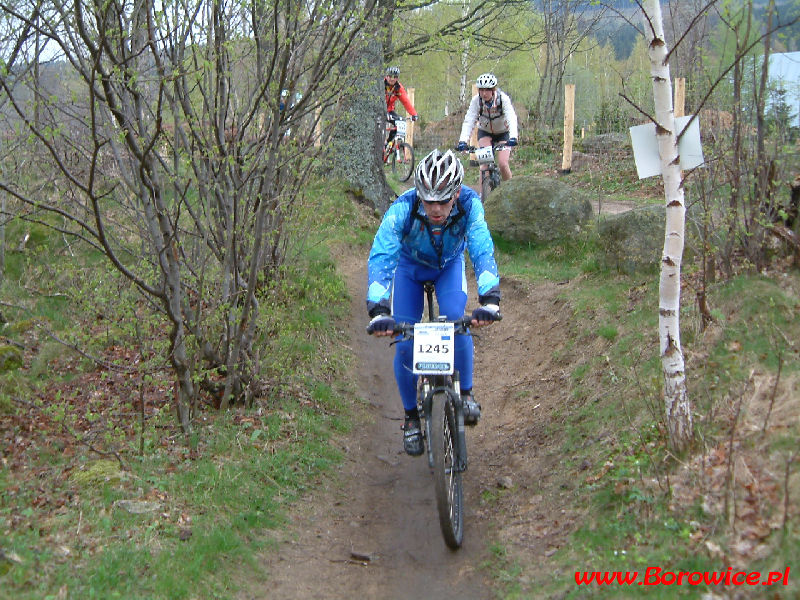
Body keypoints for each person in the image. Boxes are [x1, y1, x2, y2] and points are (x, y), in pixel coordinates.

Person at [366, 149, 502, 456]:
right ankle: (411, 418)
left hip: (448, 267)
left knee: (457, 320)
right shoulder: (402, 209)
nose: (436, 208)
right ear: (418, 194)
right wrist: (378, 310)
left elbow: (481, 248)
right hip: (409, 270)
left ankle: (465, 394)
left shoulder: (470, 205)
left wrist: (490, 299)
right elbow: (382, 254)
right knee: (404, 341)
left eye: (443, 200)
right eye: (429, 200)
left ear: (457, 192)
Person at [457, 73, 519, 182]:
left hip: (503, 133)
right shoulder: (476, 101)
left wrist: (513, 137)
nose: (484, 93)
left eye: (487, 90)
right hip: (485, 132)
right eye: (481, 90)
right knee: (484, 166)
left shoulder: (503, 99)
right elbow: (469, 121)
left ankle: (509, 190)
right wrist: (463, 141)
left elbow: (511, 118)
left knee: (503, 164)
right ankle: (482, 197)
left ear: (493, 90)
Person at [384, 66, 419, 147]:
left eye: (395, 77)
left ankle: (388, 143)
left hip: (389, 110)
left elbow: (406, 102)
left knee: (399, 122)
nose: (392, 79)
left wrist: (414, 114)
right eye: (390, 76)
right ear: (386, 76)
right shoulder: (381, 85)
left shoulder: (398, 88)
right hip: (378, 110)